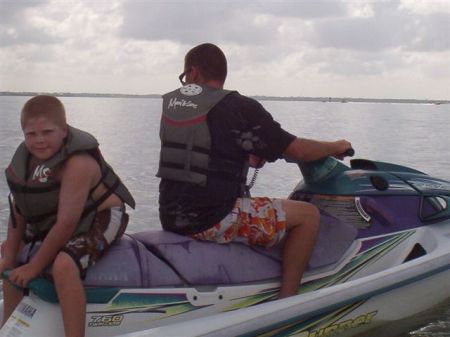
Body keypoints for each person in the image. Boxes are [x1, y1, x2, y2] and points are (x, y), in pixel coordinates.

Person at [157, 43, 352, 298]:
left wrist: (246, 154)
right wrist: (335, 146)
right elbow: (298, 150)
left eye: (185, 77)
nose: (185, 83)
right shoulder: (240, 107)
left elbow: (202, 152)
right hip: (212, 218)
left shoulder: (175, 107)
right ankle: (288, 301)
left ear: (193, 73)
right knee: (308, 216)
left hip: (170, 215)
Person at [0, 95, 135, 337]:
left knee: (63, 265)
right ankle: (7, 327)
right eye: (31, 134)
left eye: (47, 132)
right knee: (10, 254)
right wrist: (9, 256)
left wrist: (35, 266)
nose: (39, 140)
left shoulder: (78, 163)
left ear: (64, 130)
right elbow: (19, 208)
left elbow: (67, 224)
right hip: (63, 215)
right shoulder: (24, 161)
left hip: (102, 215)